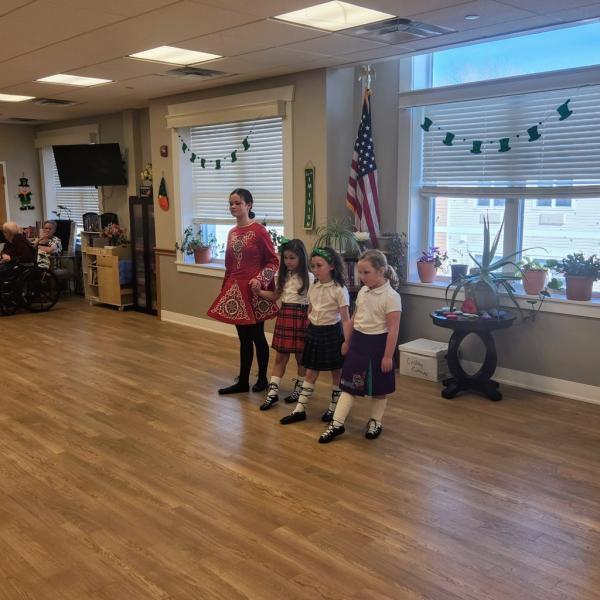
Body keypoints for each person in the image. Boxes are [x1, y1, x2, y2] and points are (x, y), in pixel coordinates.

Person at [319, 250, 401, 444]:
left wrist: (387, 356)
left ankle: (375, 421)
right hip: (358, 343)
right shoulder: (364, 291)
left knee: (379, 387)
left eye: (366, 272)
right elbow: (355, 319)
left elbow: (393, 329)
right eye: (360, 273)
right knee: (348, 385)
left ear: (381, 271)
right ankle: (337, 423)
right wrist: (347, 341)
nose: (362, 277)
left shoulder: (392, 296)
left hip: (378, 345)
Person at [208, 188, 279, 395]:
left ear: (249, 205)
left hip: (254, 291)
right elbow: (229, 266)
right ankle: (243, 381)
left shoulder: (259, 231)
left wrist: (260, 279)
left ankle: (263, 379)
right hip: (236, 291)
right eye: (231, 203)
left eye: (237, 203)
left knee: (257, 335)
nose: (233, 206)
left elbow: (273, 261)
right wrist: (225, 289)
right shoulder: (231, 233)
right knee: (243, 338)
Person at [280, 246, 352, 425]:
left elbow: (346, 320)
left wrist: (347, 342)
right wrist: (308, 328)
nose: (315, 270)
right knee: (311, 371)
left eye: (319, 265)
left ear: (332, 266)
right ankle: (300, 409)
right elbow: (310, 310)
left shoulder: (339, 289)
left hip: (332, 332)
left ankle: (334, 408)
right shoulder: (314, 285)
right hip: (314, 332)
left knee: (337, 371)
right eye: (313, 266)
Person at [254, 238, 313, 411]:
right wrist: (259, 292)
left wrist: (310, 321)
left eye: (292, 258)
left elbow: (313, 302)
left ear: (302, 257)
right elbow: (275, 296)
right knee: (280, 357)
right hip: (285, 314)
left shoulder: (310, 277)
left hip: (302, 316)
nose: (288, 261)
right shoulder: (284, 275)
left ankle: (299, 390)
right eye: (285, 258)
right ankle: (272, 394)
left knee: (301, 358)